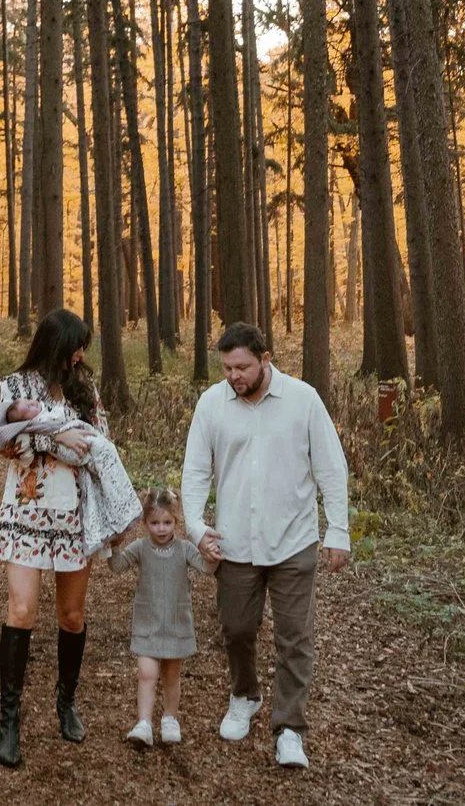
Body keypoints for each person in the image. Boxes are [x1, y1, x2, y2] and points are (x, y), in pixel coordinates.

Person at [180, 321, 352, 770]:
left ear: (265, 359)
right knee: (236, 628)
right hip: (233, 542)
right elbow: (196, 470)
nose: (234, 376)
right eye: (227, 368)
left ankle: (290, 728)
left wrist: (338, 531)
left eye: (242, 367)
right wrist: (197, 527)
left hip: (293, 539)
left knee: (295, 637)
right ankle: (244, 694)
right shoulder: (211, 405)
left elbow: (331, 468)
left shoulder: (303, 400)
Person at [0, 307, 142, 767]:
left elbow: (98, 442)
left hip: (74, 516)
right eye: (76, 346)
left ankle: (66, 702)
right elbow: (6, 445)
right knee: (22, 610)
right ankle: (9, 721)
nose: (81, 355)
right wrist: (58, 441)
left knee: (72, 616)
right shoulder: (12, 387)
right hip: (26, 512)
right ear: (57, 345)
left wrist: (69, 441)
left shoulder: (83, 388)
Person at [110, 487, 206, 748]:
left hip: (175, 624)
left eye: (167, 522)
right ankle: (143, 723)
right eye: (154, 523)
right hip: (148, 623)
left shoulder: (185, 549)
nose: (161, 529)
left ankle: (169, 718)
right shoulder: (141, 548)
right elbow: (117, 566)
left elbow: (208, 567)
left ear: (176, 521)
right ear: (145, 523)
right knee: (146, 673)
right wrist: (114, 546)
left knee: (172, 675)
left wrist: (212, 550)